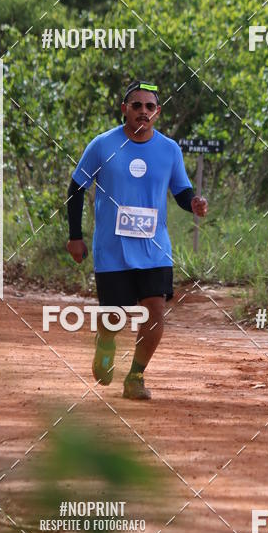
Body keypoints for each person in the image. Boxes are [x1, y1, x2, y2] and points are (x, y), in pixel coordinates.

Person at [66, 80, 207, 400]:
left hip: (154, 248)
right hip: (112, 248)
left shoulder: (169, 149)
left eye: (150, 107)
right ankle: (105, 341)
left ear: (158, 112)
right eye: (137, 105)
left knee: (155, 311)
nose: (143, 111)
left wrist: (194, 204)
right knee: (114, 316)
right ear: (124, 109)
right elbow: (76, 189)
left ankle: (136, 376)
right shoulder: (102, 145)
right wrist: (75, 237)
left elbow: (181, 191)